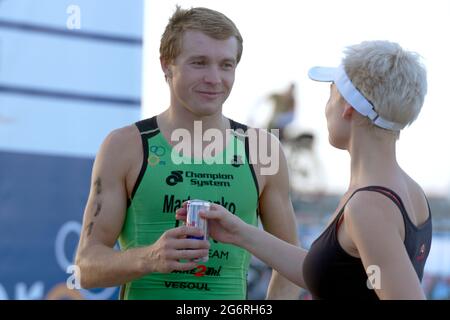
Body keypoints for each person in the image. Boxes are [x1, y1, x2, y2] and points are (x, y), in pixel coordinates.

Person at [177, 40, 432, 299]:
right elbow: (334, 275)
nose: (326, 108)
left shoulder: (368, 206)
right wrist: (238, 232)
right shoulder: (407, 191)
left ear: (348, 108)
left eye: (330, 94)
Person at [75, 6, 300, 300]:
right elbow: (86, 267)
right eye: (199, 63)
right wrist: (150, 258)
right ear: (166, 64)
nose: (214, 78)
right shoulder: (125, 145)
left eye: (226, 65)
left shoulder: (261, 149)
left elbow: (293, 266)